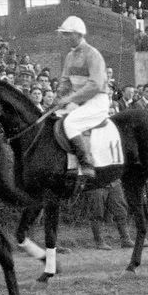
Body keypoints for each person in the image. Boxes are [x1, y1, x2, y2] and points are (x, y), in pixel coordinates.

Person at [53, 15, 110, 182]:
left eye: (68, 34)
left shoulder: (93, 54)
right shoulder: (70, 56)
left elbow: (95, 85)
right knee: (55, 119)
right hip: (78, 101)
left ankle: (87, 164)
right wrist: (58, 98)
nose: (65, 37)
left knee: (70, 123)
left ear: (78, 34)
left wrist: (71, 98)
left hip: (97, 100)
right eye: (64, 34)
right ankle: (69, 164)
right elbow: (65, 81)